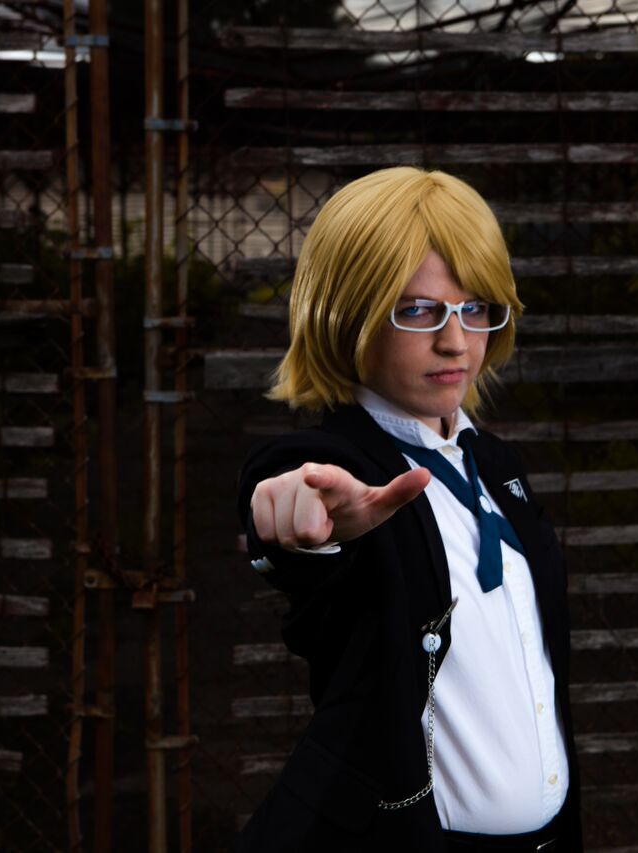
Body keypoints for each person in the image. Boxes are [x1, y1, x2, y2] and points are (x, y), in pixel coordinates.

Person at [236, 166, 581, 852]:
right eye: (418, 310)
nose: (455, 341)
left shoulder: (498, 466)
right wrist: (302, 529)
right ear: (347, 314)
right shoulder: (340, 468)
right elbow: (298, 513)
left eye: (475, 307)